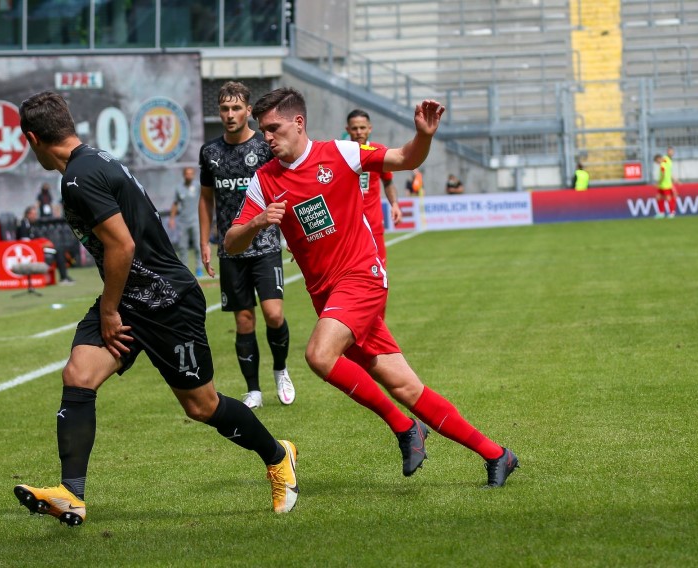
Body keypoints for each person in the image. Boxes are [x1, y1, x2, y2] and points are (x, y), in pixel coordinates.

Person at [11, 90, 299, 525]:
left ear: (32, 138)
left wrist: (109, 313)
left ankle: (279, 456)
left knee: (202, 407)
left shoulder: (78, 177)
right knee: (79, 375)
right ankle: (72, 494)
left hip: (167, 302)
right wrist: (115, 306)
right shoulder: (93, 161)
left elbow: (122, 245)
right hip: (131, 297)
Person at [224, 87, 519, 488]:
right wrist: (257, 224)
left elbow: (403, 158)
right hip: (328, 297)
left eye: (273, 128)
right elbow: (231, 241)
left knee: (318, 355)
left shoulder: (340, 153)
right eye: (263, 131)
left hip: (362, 279)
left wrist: (425, 135)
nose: (267, 137)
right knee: (405, 385)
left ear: (298, 122)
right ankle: (497, 454)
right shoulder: (265, 180)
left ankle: (404, 429)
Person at [198, 81, 295, 409]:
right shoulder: (209, 152)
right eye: (224, 108)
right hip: (231, 249)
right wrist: (205, 240)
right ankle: (253, 389)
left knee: (274, 314)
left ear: (248, 110)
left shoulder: (266, 147)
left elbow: (287, 187)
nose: (230, 114)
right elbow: (206, 198)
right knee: (243, 321)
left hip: (266, 245)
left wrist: (293, 234)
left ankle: (280, 369)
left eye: (236, 108)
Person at [345, 109, 401, 265]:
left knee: (379, 269)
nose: (358, 132)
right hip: (348, 226)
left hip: (373, 222)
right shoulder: (339, 152)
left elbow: (388, 182)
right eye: (354, 128)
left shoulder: (378, 151)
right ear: (347, 130)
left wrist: (394, 204)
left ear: (370, 128)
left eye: (362, 128)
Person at [17, 205, 74, 284]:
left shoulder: (32, 225)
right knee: (58, 251)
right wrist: (41, 245)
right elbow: (25, 242)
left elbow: (36, 238)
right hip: (31, 251)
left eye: (36, 214)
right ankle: (63, 278)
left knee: (59, 249)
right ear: (28, 214)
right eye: (33, 214)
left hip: (37, 249)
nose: (35, 216)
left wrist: (45, 243)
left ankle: (64, 277)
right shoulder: (23, 225)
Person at [168, 167, 202, 276]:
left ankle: (199, 269)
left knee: (198, 246)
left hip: (196, 220)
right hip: (183, 221)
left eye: (191, 173)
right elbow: (175, 204)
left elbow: (205, 199)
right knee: (183, 247)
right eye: (187, 173)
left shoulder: (197, 186)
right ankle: (185, 270)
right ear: (184, 175)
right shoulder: (179, 188)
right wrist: (172, 219)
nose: (189, 175)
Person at [653, 152, 678, 219]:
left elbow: (663, 175)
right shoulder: (666, 161)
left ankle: (672, 212)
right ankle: (661, 213)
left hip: (666, 184)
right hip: (662, 185)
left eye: (656, 161)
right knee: (658, 197)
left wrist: (658, 182)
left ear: (658, 159)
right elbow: (667, 157)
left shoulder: (663, 165)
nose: (656, 163)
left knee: (668, 198)